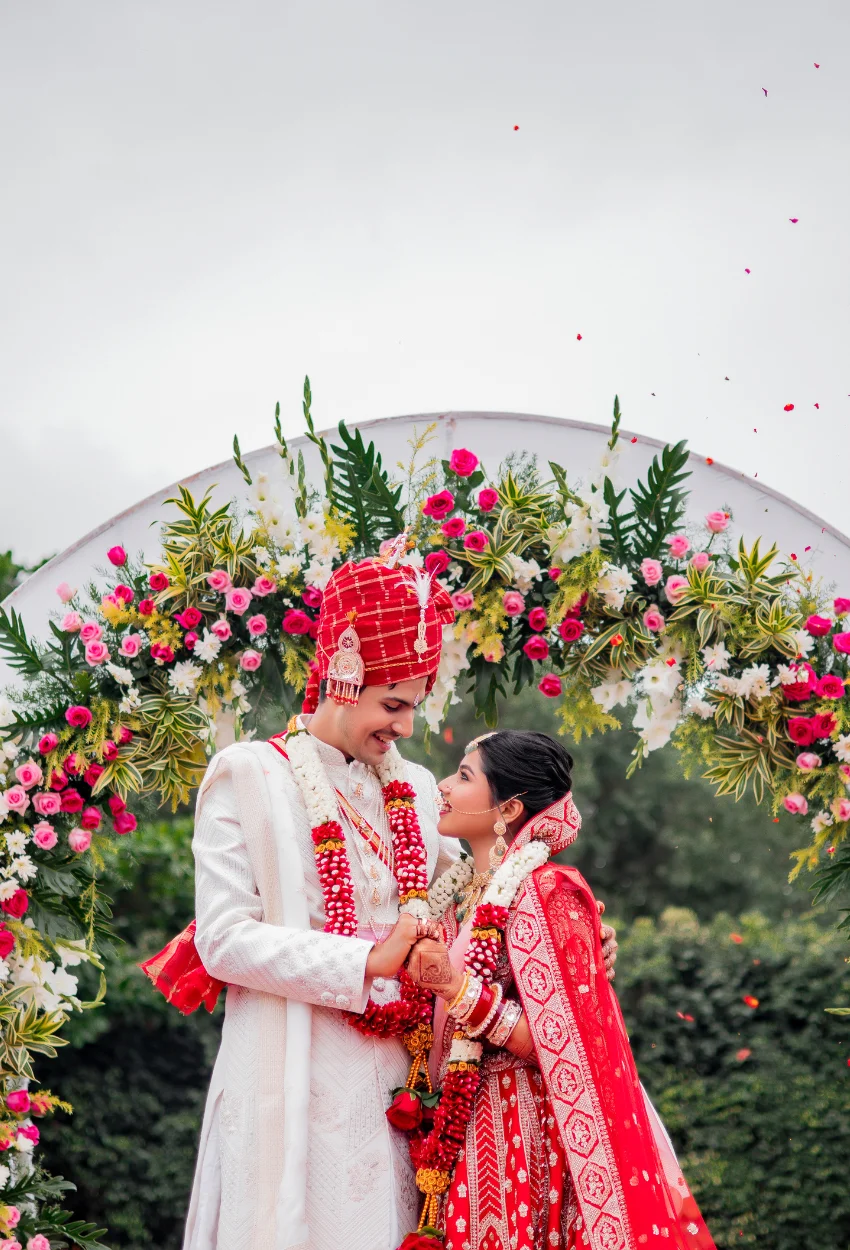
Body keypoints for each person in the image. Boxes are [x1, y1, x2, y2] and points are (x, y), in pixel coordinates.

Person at [141, 542, 618, 1250]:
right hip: (289, 1066)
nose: (403, 726)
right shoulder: (246, 775)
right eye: (391, 704)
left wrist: (569, 933)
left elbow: (477, 903)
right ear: (342, 674)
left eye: (413, 707)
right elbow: (223, 939)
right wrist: (367, 961)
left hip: (405, 1084)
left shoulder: (421, 789)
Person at [404, 729, 715, 1250]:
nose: (443, 786)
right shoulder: (457, 896)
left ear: (508, 809)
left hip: (521, 1132)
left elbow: (558, 1044)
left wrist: (456, 989)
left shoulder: (546, 890)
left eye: (462, 777)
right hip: (462, 1123)